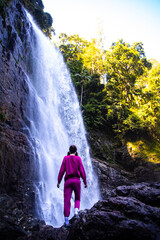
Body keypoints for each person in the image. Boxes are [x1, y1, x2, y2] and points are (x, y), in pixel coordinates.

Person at [57, 145, 87, 227]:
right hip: (77, 181)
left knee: (67, 200)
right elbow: (82, 170)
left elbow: (62, 170)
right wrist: (85, 181)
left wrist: (59, 181)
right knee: (77, 197)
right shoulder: (78, 158)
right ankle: (76, 211)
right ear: (76, 151)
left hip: (68, 181)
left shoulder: (65, 158)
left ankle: (66, 221)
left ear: (69, 151)